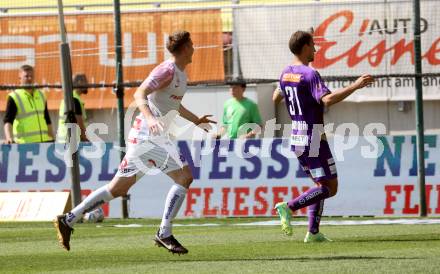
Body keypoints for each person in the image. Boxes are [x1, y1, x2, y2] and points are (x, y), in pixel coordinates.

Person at [54, 30, 215, 254]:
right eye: (191, 44)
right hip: (150, 136)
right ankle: (164, 232)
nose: (194, 48)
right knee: (185, 177)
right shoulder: (167, 70)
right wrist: (150, 118)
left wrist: (196, 120)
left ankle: (69, 219)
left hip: (147, 138)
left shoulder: (180, 74)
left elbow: (173, 106)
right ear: (184, 48)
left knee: (118, 188)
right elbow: (140, 94)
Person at [274, 30, 374, 242]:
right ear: (305, 47)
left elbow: (276, 96)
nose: (316, 50)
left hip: (297, 137)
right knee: (330, 188)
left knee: (321, 186)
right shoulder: (310, 74)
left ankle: (313, 232)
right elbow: (327, 100)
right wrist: (356, 85)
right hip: (313, 138)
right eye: (313, 45)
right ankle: (289, 207)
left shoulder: (285, 73)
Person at [2, 65, 54, 144]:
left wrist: (52, 137)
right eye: (26, 76)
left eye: (31, 76)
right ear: (20, 78)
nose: (29, 78)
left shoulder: (41, 95)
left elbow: (47, 118)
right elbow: (8, 121)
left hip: (45, 142)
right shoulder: (14, 96)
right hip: (25, 144)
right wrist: (9, 138)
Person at [57, 73, 89, 142]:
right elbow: (79, 123)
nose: (88, 84)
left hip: (64, 140)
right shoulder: (74, 99)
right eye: (85, 81)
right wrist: (85, 139)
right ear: (79, 82)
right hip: (70, 140)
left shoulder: (70, 97)